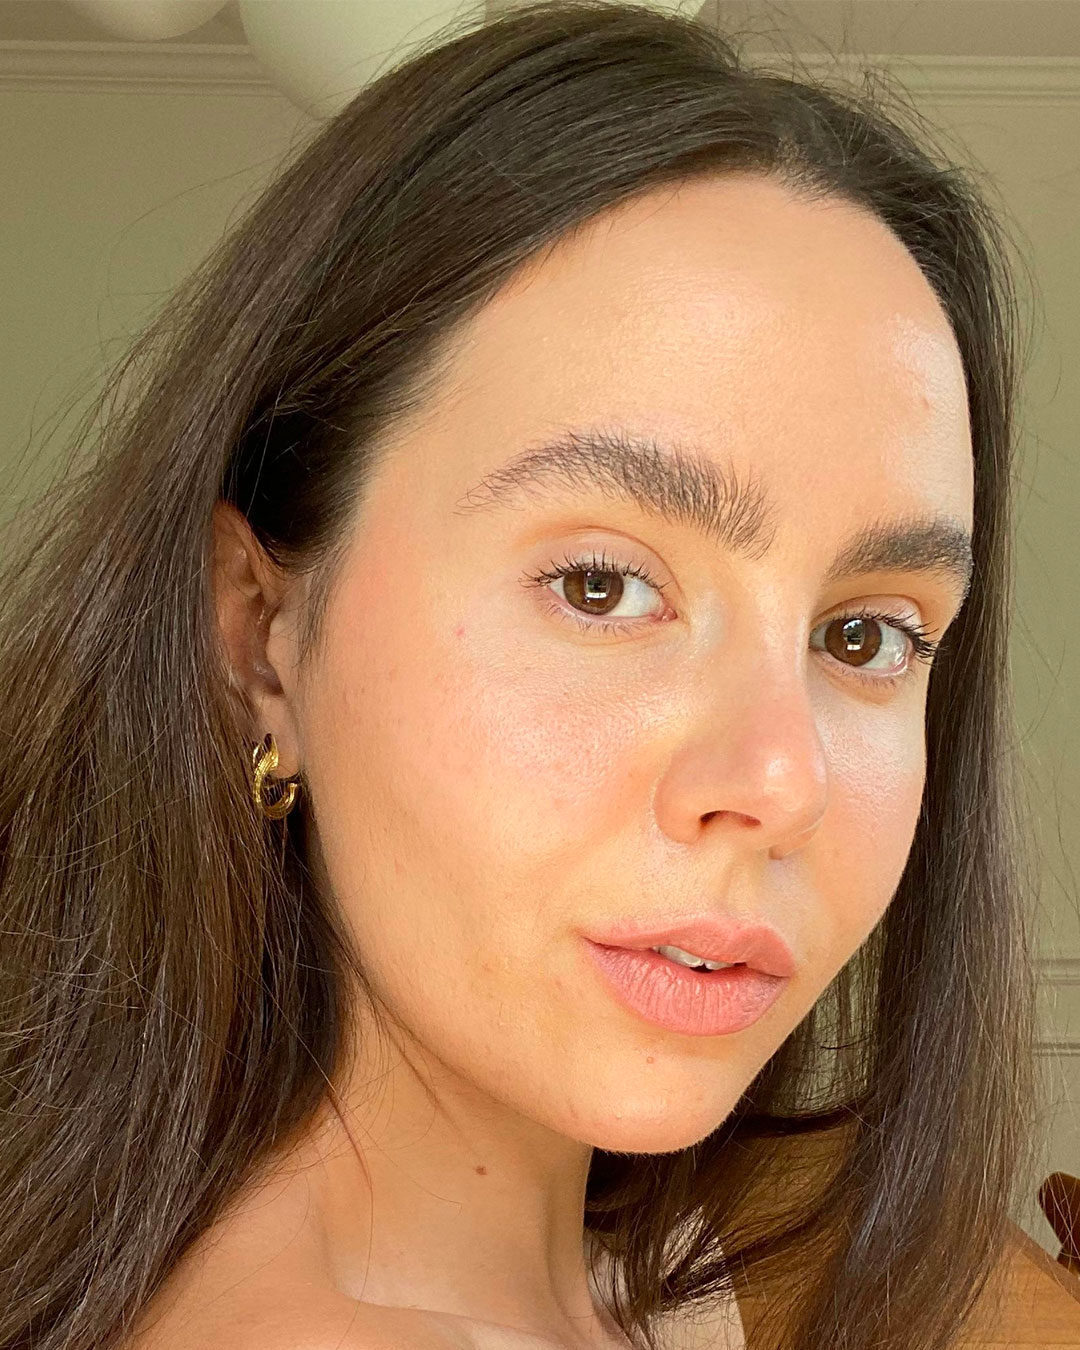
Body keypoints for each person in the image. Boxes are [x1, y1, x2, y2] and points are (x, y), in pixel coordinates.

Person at [0, 3, 1039, 1349]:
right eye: (602, 586)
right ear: (260, 636)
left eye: (866, 635)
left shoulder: (677, 1280)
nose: (785, 779)